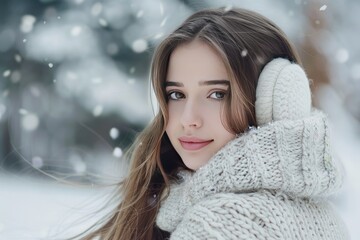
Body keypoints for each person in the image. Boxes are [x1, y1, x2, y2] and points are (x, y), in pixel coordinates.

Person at [78, 7, 349, 240]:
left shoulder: (220, 224)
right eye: (176, 94)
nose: (188, 119)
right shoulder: (325, 218)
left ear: (274, 99)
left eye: (217, 94)